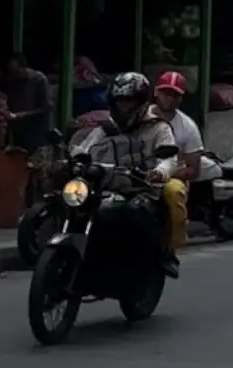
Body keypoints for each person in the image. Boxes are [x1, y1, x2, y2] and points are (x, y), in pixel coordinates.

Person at [69, 72, 187, 277]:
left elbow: (170, 158)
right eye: (120, 100)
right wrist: (75, 157)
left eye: (129, 101)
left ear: (141, 102)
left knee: (148, 206)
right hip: (108, 184)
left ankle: (166, 252)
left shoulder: (158, 127)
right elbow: (85, 148)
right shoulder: (106, 128)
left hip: (143, 185)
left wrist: (160, 171)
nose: (124, 106)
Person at [151, 71, 205, 254]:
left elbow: (193, 169)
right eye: (166, 93)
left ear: (181, 99)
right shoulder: (141, 116)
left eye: (174, 95)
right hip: (136, 173)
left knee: (174, 192)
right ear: (156, 92)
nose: (169, 99)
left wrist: (163, 173)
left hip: (169, 177)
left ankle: (173, 246)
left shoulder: (187, 127)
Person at [2, 52, 52, 154]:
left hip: (36, 133)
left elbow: (45, 108)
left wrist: (21, 115)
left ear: (24, 68)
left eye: (16, 72)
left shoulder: (38, 80)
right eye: (12, 73)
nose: (14, 76)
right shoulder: (13, 82)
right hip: (18, 134)